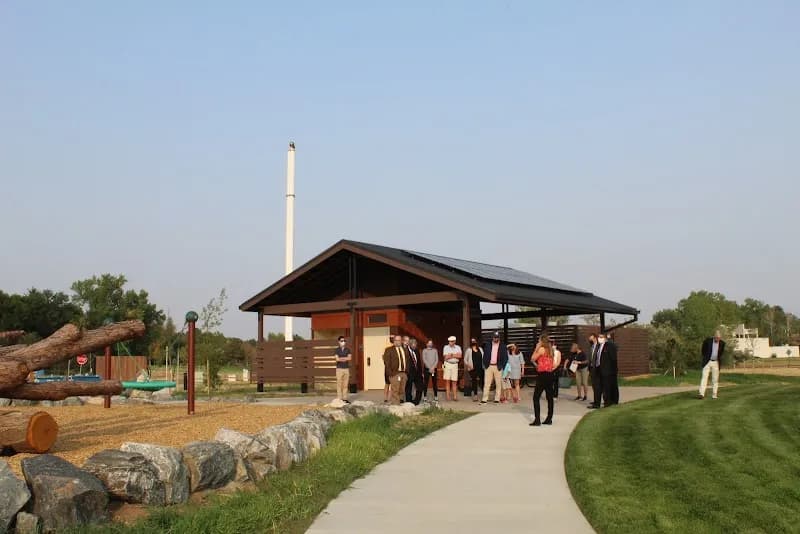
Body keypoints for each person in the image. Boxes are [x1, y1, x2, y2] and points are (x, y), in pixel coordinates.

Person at [530, 334, 560, 426]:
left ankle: (537, 420)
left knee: (536, 397)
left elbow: (532, 358)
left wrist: (536, 349)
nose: (538, 342)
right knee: (549, 397)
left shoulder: (541, 349)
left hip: (542, 375)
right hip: (550, 374)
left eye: (539, 340)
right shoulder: (551, 350)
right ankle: (549, 418)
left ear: (542, 341)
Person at [481, 332, 508, 404]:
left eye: (497, 337)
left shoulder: (503, 346)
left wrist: (502, 366)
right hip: (489, 366)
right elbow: (484, 355)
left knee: (498, 383)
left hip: (498, 366)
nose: (496, 338)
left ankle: (497, 399)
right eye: (494, 337)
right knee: (487, 383)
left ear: (499, 338)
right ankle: (484, 399)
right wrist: (484, 364)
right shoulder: (488, 345)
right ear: (492, 337)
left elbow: (505, 358)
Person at [699, 331, 725, 399]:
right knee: (704, 377)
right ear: (714, 337)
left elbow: (721, 353)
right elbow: (703, 350)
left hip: (716, 362)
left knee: (715, 379)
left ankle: (714, 394)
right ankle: (701, 394)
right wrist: (706, 357)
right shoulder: (708, 341)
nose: (717, 339)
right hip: (707, 362)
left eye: (719, 338)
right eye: (716, 338)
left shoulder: (722, 343)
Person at [383, 335, 408, 404]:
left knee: (401, 390)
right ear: (394, 341)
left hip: (403, 373)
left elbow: (407, 361)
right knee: (395, 390)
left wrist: (406, 372)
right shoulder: (389, 350)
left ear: (401, 341)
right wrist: (390, 374)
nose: (398, 342)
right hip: (394, 373)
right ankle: (395, 406)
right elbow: (386, 363)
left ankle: (398, 403)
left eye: (399, 340)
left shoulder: (404, 349)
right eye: (396, 340)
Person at [594, 332, 618, 407]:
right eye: (599, 337)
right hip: (599, 369)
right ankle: (597, 403)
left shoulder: (609, 346)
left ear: (605, 338)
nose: (599, 339)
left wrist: (613, 370)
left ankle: (608, 402)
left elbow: (613, 358)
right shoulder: (599, 346)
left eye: (601, 337)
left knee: (607, 387)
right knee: (598, 387)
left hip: (607, 371)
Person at [442, 336, 462, 401]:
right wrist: (455, 355)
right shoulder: (446, 347)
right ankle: (447, 396)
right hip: (448, 364)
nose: (450, 342)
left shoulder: (458, 347)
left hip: (455, 365)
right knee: (447, 381)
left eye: (451, 341)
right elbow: (445, 357)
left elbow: (460, 356)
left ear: (454, 341)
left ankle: (455, 396)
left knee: (454, 381)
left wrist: (451, 355)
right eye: (449, 341)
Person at [405, 338, 424, 405]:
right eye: (413, 345)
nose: (415, 346)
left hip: (417, 373)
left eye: (415, 345)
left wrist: (421, 372)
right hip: (409, 373)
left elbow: (419, 362)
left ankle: (416, 401)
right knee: (408, 388)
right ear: (410, 345)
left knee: (420, 387)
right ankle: (408, 402)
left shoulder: (416, 350)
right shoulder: (405, 351)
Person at [334, 336, 352, 403]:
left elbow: (349, 358)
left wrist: (341, 358)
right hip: (339, 369)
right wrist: (345, 358)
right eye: (341, 341)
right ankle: (339, 398)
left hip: (346, 369)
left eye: (344, 340)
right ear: (339, 342)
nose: (343, 342)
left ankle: (345, 398)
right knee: (339, 384)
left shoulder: (348, 349)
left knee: (345, 384)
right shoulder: (337, 350)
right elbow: (337, 359)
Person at [587, 333, 602, 409]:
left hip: (597, 369)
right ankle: (595, 400)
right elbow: (590, 358)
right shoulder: (592, 346)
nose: (590, 340)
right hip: (592, 369)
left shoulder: (599, 346)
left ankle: (597, 404)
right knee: (594, 386)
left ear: (595, 338)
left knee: (597, 386)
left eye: (591, 338)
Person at [382, 334, 395, 404]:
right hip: (387, 368)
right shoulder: (386, 346)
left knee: (393, 384)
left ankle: (391, 398)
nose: (392, 339)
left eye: (393, 338)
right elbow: (383, 357)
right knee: (387, 383)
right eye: (391, 338)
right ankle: (385, 398)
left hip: (394, 369)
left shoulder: (396, 346)